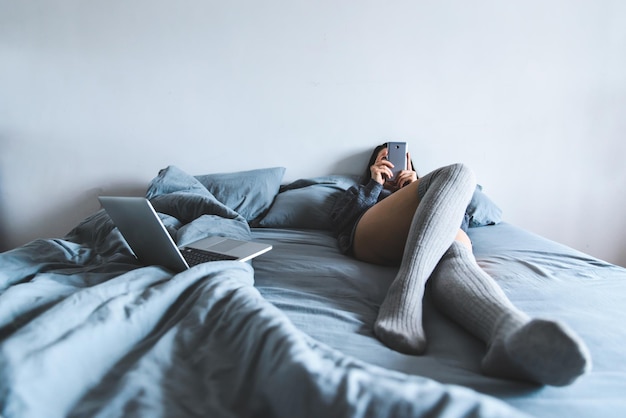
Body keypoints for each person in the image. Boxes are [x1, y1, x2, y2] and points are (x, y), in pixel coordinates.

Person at [329, 142, 591, 386]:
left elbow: (458, 223)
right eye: (386, 157)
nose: (394, 163)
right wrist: (374, 184)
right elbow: (341, 222)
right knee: (459, 173)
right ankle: (407, 291)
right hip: (373, 237)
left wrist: (420, 187)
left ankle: (508, 330)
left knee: (455, 250)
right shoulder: (361, 189)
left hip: (431, 243)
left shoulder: (431, 187)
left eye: (400, 157)